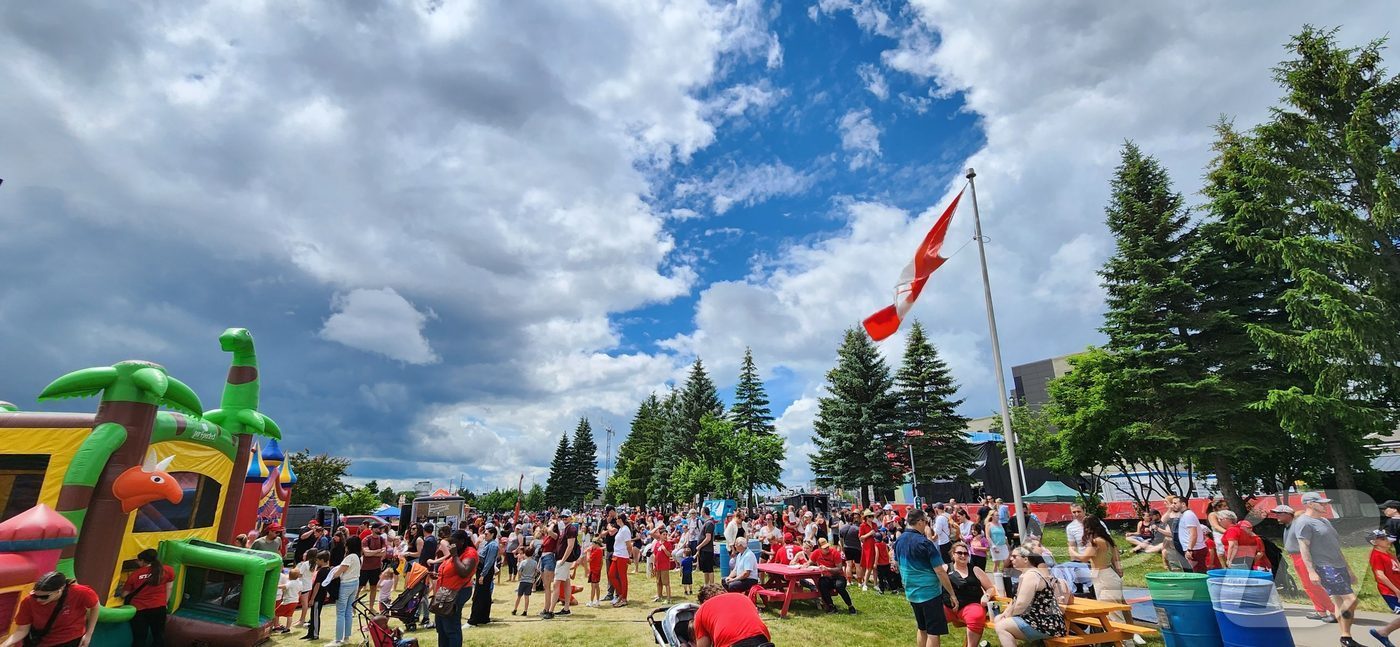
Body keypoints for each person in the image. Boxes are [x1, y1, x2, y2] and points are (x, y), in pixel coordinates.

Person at [1296, 492, 1362, 647]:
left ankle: (1346, 638)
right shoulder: (1304, 522)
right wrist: (1311, 571)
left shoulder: (1324, 521)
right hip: (1325, 567)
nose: (1325, 505)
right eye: (1322, 503)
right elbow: (1304, 548)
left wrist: (1349, 569)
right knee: (1351, 599)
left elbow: (1335, 547)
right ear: (1310, 504)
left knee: (1339, 602)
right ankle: (1345, 637)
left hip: (1339, 565)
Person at [895, 509, 958, 647]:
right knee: (933, 632)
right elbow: (940, 571)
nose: (927, 525)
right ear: (919, 522)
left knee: (922, 627)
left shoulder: (899, 541)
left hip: (911, 592)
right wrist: (952, 594)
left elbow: (897, 563)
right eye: (926, 521)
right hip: (929, 593)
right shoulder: (925, 543)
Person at [991, 547, 1071, 645]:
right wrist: (1004, 614)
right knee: (999, 620)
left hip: (1047, 624)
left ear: (1025, 559)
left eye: (1015, 556)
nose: (1011, 559)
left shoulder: (1031, 575)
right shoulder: (1025, 575)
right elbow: (1015, 601)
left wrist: (1007, 617)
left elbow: (1021, 605)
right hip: (1038, 621)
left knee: (1001, 626)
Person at [1, 572, 99, 647]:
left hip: (69, 639)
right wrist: (4, 645)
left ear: (59, 591)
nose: (38, 599)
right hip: (41, 641)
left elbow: (95, 606)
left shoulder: (81, 593)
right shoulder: (29, 601)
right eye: (35, 595)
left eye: (44, 597)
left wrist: (89, 634)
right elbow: (22, 631)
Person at [117, 548, 173, 647]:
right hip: (159, 607)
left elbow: (124, 594)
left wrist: (120, 589)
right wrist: (165, 603)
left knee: (139, 638)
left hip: (139, 609)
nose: (137, 562)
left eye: (138, 560)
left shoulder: (135, 575)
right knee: (159, 636)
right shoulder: (167, 570)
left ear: (142, 561)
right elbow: (170, 587)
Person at [943, 542, 995, 647]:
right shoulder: (944, 569)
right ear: (953, 554)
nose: (963, 556)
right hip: (948, 606)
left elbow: (990, 588)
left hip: (970, 605)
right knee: (930, 616)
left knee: (976, 615)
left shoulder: (976, 570)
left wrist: (987, 595)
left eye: (966, 553)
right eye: (959, 553)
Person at [433, 530, 478, 647]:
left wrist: (454, 555)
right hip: (444, 592)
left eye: (453, 543)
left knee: (451, 627)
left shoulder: (470, 553)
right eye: (450, 543)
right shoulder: (457, 551)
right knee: (441, 627)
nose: (451, 546)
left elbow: (464, 572)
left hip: (457, 592)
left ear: (462, 541)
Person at [693, 583, 773, 647]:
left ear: (704, 601)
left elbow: (703, 645)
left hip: (731, 643)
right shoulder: (743, 597)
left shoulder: (702, 609)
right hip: (762, 640)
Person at [1080, 515, 1125, 623]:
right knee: (1112, 610)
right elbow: (1116, 559)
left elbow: (1084, 558)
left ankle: (1123, 638)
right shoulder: (1108, 540)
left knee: (1112, 611)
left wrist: (1072, 551)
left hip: (1103, 576)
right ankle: (1120, 637)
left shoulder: (1096, 542)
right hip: (1108, 574)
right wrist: (1119, 571)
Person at [324, 535, 363, 646]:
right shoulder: (357, 557)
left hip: (346, 585)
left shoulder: (349, 557)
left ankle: (338, 640)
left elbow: (339, 572)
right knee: (348, 612)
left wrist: (329, 577)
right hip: (355, 583)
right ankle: (346, 637)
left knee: (341, 612)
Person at [812, 537, 857, 614]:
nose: (827, 549)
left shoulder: (834, 552)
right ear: (819, 548)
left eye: (827, 546)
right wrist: (803, 565)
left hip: (838, 576)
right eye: (824, 548)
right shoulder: (816, 553)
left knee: (839, 586)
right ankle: (831, 606)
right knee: (821, 583)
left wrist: (827, 569)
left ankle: (850, 606)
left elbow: (839, 568)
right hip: (827, 577)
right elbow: (810, 561)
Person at [468, 526, 499, 626]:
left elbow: (489, 562)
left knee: (479, 595)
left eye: (486, 534)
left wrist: (482, 575)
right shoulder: (488, 544)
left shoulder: (493, 546)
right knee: (485, 595)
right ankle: (483, 617)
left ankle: (474, 619)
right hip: (482, 570)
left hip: (484, 571)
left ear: (492, 534)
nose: (484, 536)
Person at [1170, 495, 1209, 573]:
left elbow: (1193, 534)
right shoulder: (1183, 515)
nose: (1172, 505)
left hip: (1195, 549)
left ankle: (1202, 585)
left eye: (1175, 503)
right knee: (1196, 571)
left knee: (1199, 573)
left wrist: (1189, 549)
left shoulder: (1188, 515)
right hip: (1192, 549)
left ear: (1183, 504)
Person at [553, 511, 580, 618]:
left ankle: (550, 609)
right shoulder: (566, 528)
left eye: (566, 517)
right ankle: (566, 608)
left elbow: (570, 546)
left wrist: (563, 560)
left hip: (564, 561)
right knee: (566, 584)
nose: (564, 518)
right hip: (563, 560)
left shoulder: (571, 529)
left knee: (556, 584)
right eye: (562, 517)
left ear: (570, 518)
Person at [1369, 530, 1400, 613]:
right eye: (1383, 539)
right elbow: (1380, 575)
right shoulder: (1376, 556)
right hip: (1390, 592)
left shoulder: (1390, 554)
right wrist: (1396, 591)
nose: (1387, 540)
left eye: (1386, 538)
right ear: (1374, 542)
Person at [608, 515, 634, 607]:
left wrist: (630, 556)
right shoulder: (621, 529)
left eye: (617, 519)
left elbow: (629, 545)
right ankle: (620, 594)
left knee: (622, 577)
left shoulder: (625, 530)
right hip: (617, 554)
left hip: (622, 556)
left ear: (620, 520)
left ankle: (624, 598)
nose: (616, 521)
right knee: (611, 575)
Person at [537, 515, 559, 619]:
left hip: (549, 558)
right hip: (543, 558)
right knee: (546, 586)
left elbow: (549, 531)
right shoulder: (547, 536)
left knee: (548, 585)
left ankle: (548, 608)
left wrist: (553, 523)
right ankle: (546, 607)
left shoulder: (555, 535)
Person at [275, 568, 303, 634]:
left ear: (290, 576)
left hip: (288, 601)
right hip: (295, 601)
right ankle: (287, 628)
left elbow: (284, 586)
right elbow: (300, 592)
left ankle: (276, 626)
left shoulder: (290, 583)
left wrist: (276, 586)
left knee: (275, 613)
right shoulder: (300, 583)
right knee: (289, 615)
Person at [362, 523, 388, 593]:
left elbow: (383, 553)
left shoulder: (382, 539)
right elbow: (366, 553)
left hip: (376, 567)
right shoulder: (367, 539)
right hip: (365, 568)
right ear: (373, 529)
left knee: (374, 587)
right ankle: (354, 603)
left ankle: (371, 604)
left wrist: (372, 553)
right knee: (359, 586)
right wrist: (378, 551)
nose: (381, 530)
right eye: (380, 528)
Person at [513, 545, 538, 616]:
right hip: (530, 581)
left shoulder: (523, 562)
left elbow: (519, 571)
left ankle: (515, 609)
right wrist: (533, 577)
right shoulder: (535, 562)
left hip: (523, 581)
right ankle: (525, 611)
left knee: (519, 596)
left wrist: (520, 577)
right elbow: (536, 571)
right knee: (527, 597)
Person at [697, 508, 717, 587]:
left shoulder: (709, 523)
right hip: (704, 550)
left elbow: (708, 538)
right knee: (705, 569)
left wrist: (699, 546)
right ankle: (706, 585)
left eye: (701, 511)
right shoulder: (706, 522)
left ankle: (711, 585)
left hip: (707, 550)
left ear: (704, 512)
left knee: (709, 569)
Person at [653, 528, 675, 602]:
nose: (665, 536)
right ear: (660, 535)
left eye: (666, 534)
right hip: (657, 565)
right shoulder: (657, 543)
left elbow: (669, 555)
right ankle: (659, 596)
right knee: (658, 582)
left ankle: (669, 598)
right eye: (664, 534)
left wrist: (664, 549)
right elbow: (655, 555)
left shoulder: (668, 544)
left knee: (666, 582)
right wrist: (653, 564)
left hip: (664, 566)